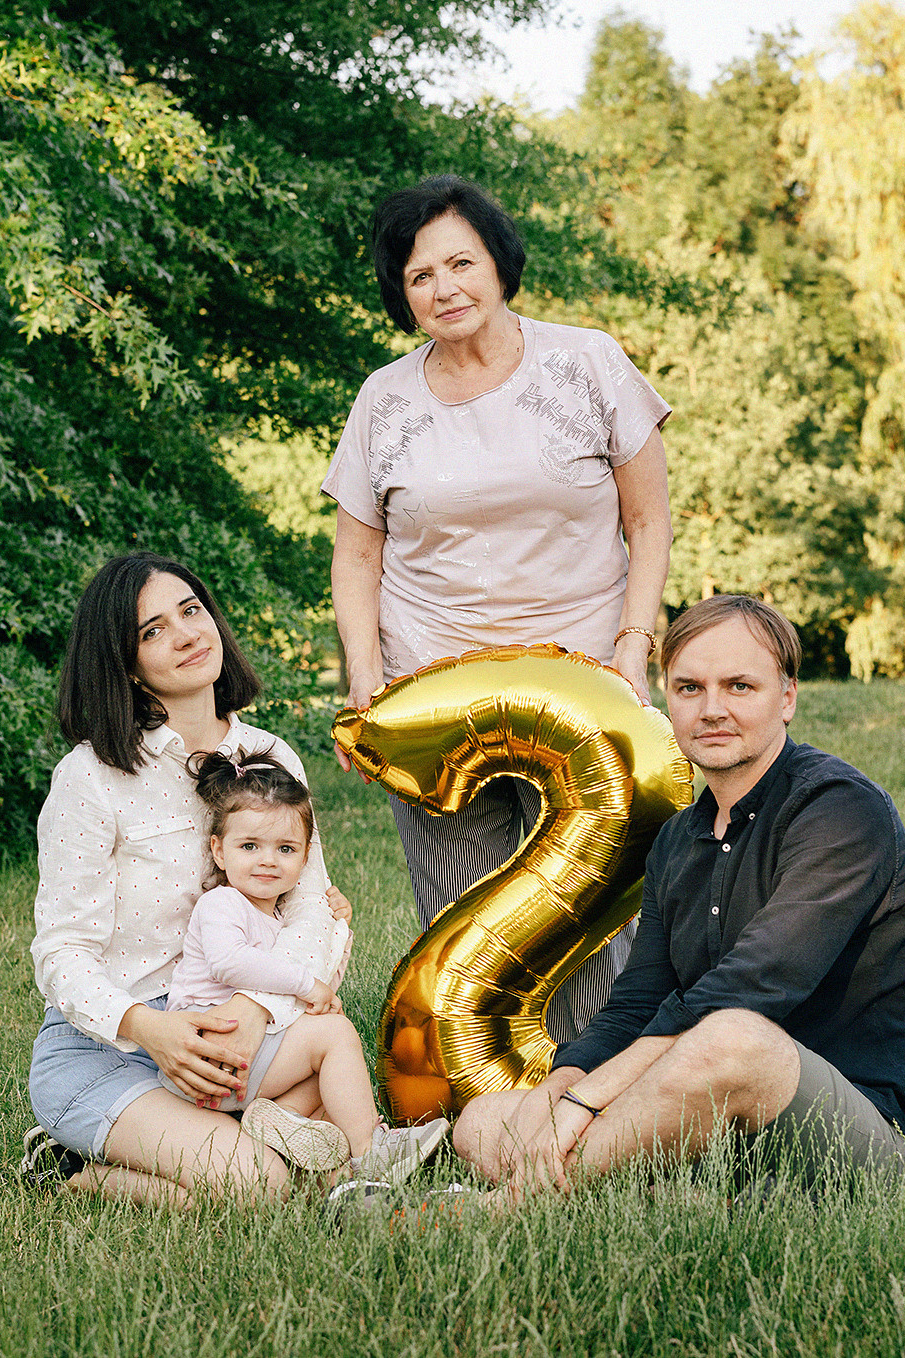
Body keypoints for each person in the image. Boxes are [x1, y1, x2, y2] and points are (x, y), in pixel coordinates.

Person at [452, 595, 905, 1198]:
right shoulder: (677, 838)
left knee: (733, 1037)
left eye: (740, 686)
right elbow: (636, 1003)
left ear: (788, 697)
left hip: (881, 1133)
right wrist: (557, 1091)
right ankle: (616, 1178)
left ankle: (511, 1205)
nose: (712, 709)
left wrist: (586, 1103)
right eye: (690, 688)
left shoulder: (840, 810)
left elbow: (751, 988)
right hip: (731, 1122)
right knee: (483, 1121)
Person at [322, 173, 674, 1041]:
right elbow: (357, 554)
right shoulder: (384, 400)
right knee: (465, 925)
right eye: (419, 277)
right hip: (438, 699)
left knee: (589, 922)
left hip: (585, 691)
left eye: (460, 263)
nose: (445, 289)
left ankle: (594, 1106)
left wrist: (634, 647)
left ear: (499, 262)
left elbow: (648, 519)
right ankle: (477, 1117)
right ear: (401, 296)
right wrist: (369, 682)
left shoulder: (587, 362)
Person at [21, 552, 356, 1207]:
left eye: (191, 611)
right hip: (109, 1050)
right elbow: (59, 951)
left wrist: (258, 1011)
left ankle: (215, 1133)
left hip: (229, 1032)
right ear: (127, 667)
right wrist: (149, 1030)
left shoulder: (272, 755)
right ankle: (75, 1173)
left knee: (326, 1116)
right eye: (152, 631)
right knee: (262, 1186)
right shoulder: (90, 777)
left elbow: (312, 908)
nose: (184, 634)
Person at [159, 750, 450, 1184]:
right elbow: (229, 963)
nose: (268, 860)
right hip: (209, 1056)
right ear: (219, 851)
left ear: (304, 857)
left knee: (333, 1072)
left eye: (286, 849)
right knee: (335, 1036)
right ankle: (371, 1148)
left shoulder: (278, 917)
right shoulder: (221, 904)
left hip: (242, 1061)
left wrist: (337, 929)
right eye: (249, 846)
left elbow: (323, 980)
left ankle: (278, 1123)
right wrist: (303, 983)